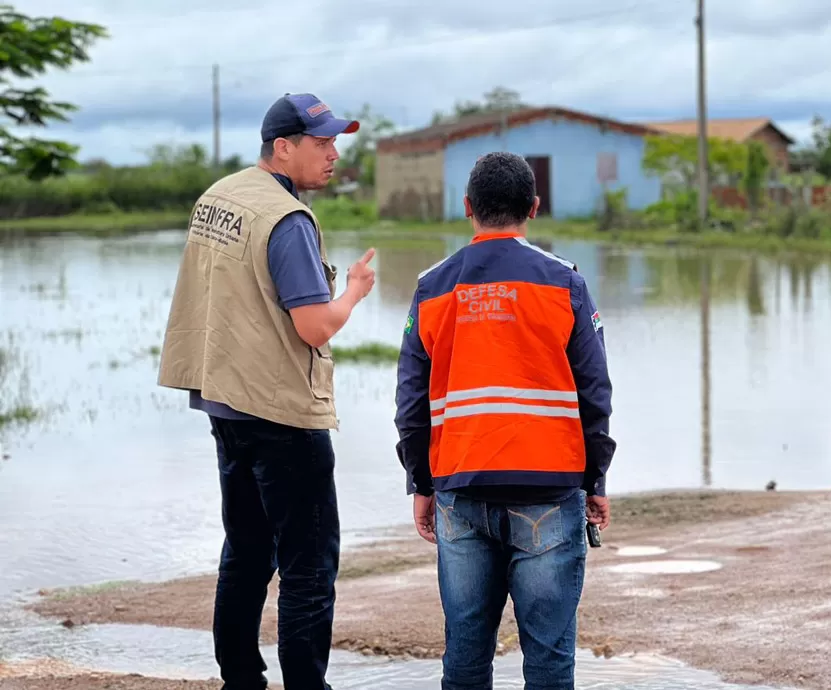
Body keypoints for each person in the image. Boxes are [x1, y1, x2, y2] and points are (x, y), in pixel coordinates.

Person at [157, 92, 376, 690]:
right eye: (322, 143)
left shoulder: (220, 195)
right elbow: (313, 326)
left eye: (335, 143)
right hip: (280, 412)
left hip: (225, 402)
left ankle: (240, 678)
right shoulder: (288, 220)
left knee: (247, 549)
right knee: (308, 566)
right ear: (285, 147)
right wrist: (354, 290)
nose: (334, 154)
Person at [393, 151, 616, 689]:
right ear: (534, 208)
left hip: (460, 491)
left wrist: (421, 482)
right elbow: (595, 392)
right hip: (549, 491)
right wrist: (597, 481)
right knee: (548, 658)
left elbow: (410, 402)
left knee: (466, 657)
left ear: (468, 207)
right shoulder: (565, 284)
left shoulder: (431, 289)